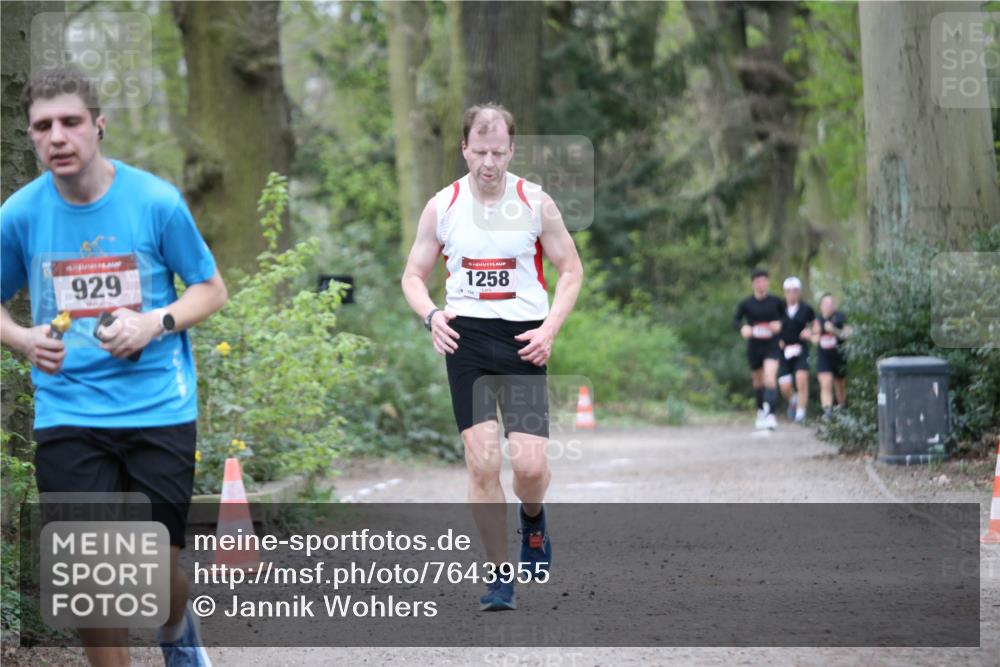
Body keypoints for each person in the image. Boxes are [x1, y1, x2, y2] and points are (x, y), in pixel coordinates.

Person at [1, 68, 225, 667]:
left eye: (70, 122)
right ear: (32, 137)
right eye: (43, 127)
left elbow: (209, 289)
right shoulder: (20, 215)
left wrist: (155, 323)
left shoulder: (154, 202)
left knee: (153, 568)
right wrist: (22, 338)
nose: (57, 137)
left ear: (98, 126)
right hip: (68, 408)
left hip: (158, 406)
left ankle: (177, 626)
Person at [401, 103, 583, 611]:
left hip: (525, 339)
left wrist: (550, 328)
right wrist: (431, 315)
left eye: (498, 152)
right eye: (479, 151)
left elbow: (571, 270)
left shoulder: (535, 203)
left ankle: (532, 519)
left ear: (512, 150)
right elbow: (413, 275)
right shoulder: (442, 206)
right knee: (481, 463)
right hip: (467, 342)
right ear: (464, 148)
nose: (488, 162)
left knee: (528, 466)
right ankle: (499, 575)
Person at [733, 268, 784, 430]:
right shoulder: (746, 303)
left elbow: (787, 319)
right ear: (753, 283)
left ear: (768, 282)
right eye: (758, 281)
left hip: (772, 345)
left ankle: (771, 415)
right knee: (758, 381)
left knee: (770, 378)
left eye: (764, 281)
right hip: (755, 346)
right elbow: (735, 320)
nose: (761, 284)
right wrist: (742, 328)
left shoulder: (776, 302)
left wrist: (780, 325)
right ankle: (761, 411)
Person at [776, 277, 815, 424]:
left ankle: (801, 413)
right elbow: (772, 325)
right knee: (784, 386)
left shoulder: (806, 309)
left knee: (801, 379)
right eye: (789, 291)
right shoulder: (778, 308)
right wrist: (776, 338)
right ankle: (793, 400)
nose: (792, 294)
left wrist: (810, 331)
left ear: (799, 292)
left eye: (795, 291)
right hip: (784, 350)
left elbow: (816, 325)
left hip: (800, 349)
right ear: (785, 292)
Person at [813, 293, 850, 418]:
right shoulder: (817, 320)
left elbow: (848, 333)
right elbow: (813, 335)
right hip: (824, 357)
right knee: (826, 383)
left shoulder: (840, 317)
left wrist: (834, 330)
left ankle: (842, 408)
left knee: (840, 384)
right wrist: (812, 337)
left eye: (830, 304)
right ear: (821, 306)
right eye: (826, 304)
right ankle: (827, 411)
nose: (828, 306)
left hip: (839, 356)